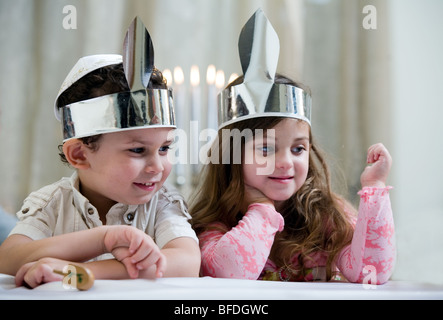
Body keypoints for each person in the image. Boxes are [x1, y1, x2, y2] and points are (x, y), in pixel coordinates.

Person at [189, 9, 395, 284]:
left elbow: (373, 271)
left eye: (298, 149)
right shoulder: (215, 224)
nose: (286, 162)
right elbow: (231, 275)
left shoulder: (325, 213)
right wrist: (262, 209)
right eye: (266, 149)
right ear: (232, 155)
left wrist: (376, 189)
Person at [0, 18, 200, 288]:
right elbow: (9, 257)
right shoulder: (52, 204)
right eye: (138, 150)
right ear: (79, 155)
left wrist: (75, 270)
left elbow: (186, 262)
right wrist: (105, 239)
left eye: (164, 148)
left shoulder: (162, 204)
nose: (157, 166)